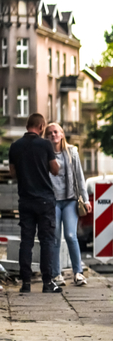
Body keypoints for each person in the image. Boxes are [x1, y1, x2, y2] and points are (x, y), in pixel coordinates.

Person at [8, 114, 62, 293]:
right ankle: (47, 283)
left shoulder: (15, 146)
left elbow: (13, 174)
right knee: (47, 241)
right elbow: (54, 170)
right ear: (41, 126)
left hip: (25, 200)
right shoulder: (45, 144)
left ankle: (26, 283)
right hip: (45, 200)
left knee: (27, 241)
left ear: (26, 125)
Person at [44, 123, 92, 287]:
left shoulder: (72, 152)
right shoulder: (45, 154)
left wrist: (85, 199)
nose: (53, 135)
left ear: (62, 134)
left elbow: (79, 176)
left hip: (71, 200)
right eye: (49, 133)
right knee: (55, 237)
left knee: (71, 236)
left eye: (56, 132)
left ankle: (78, 272)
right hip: (53, 201)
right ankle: (57, 274)